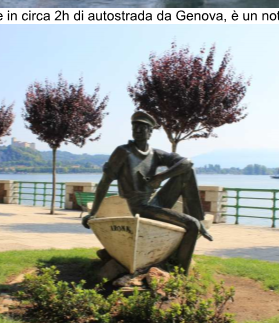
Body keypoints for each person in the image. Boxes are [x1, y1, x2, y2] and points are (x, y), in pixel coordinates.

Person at [81, 109, 213, 273]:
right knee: (191, 225)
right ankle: (180, 272)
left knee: (187, 171)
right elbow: (104, 183)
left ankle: (196, 218)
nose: (137, 130)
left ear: (150, 132)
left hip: (154, 203)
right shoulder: (123, 152)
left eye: (142, 127)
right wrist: (93, 213)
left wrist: (160, 177)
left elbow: (187, 162)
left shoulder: (155, 154)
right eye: (135, 127)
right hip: (139, 207)